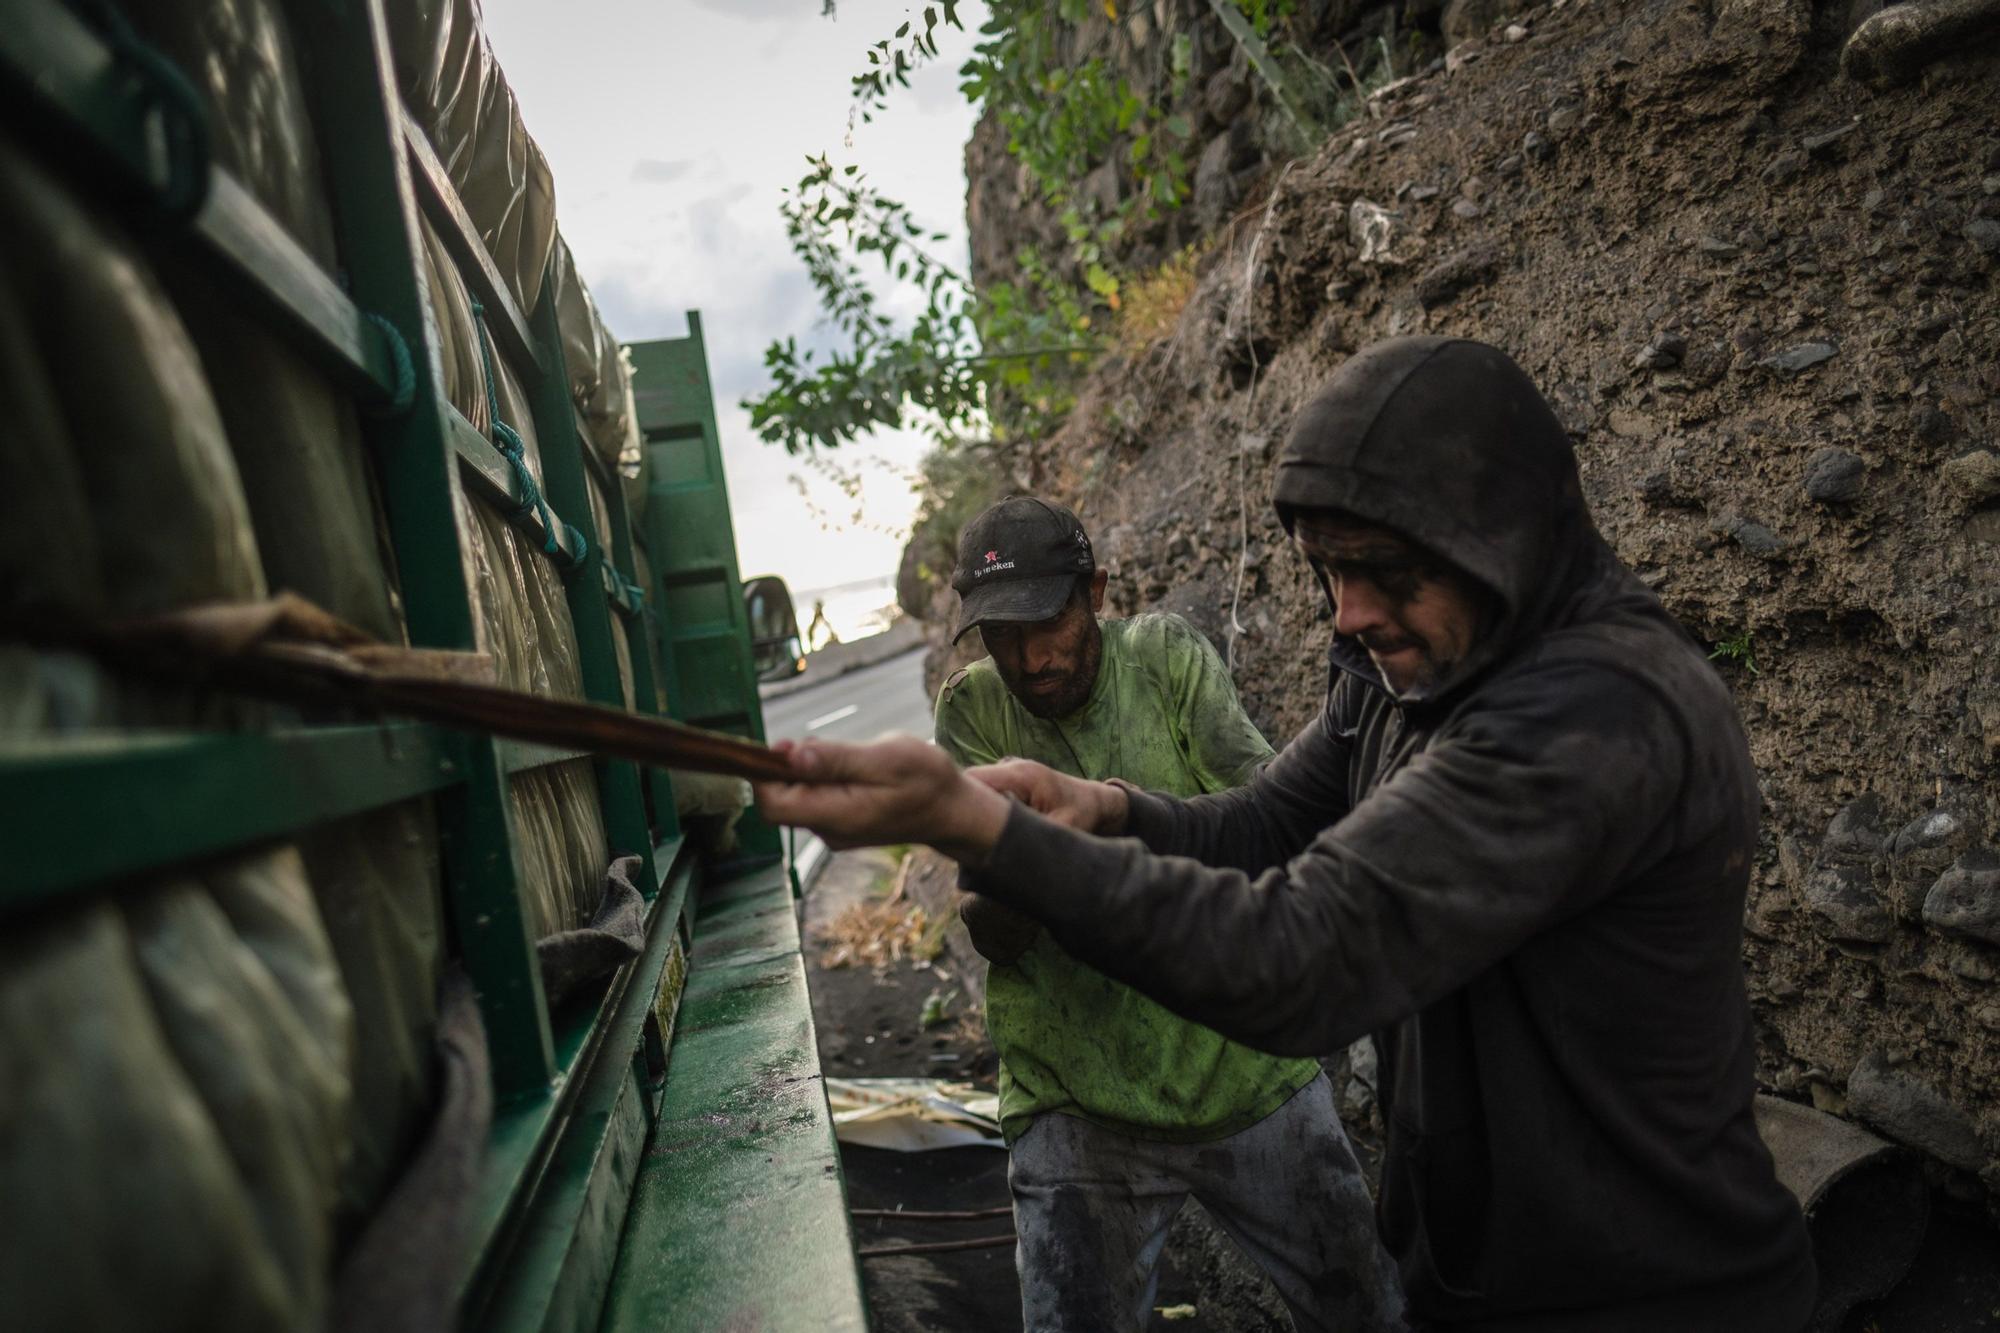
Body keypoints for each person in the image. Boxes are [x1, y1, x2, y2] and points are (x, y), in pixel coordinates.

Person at [757, 337, 1819, 1332]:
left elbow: (1300, 955)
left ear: (1497, 536)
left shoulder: (1590, 715)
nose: (1347, 613)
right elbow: (1264, 819)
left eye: (1383, 571)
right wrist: (1107, 808)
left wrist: (978, 823)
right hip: (1486, 1275)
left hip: (1645, 1290)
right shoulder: (1407, 677)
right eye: (1327, 572)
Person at [933, 495, 1406, 1333]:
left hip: (1246, 1066)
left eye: (1049, 622)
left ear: (1098, 594)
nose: (1031, 657)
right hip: (1075, 1095)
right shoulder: (971, 711)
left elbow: (1267, 822)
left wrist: (1096, 832)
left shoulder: (1165, 659)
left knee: (1373, 1311)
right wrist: (1016, 870)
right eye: (1002, 635)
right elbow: (993, 934)